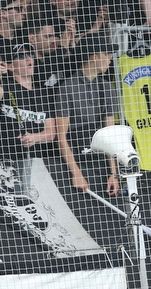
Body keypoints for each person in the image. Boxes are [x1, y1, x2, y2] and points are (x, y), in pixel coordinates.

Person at [55, 38, 119, 194]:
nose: (111, 58)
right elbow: (61, 136)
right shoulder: (66, 88)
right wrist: (75, 173)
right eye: (107, 53)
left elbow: (109, 132)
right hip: (77, 160)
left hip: (102, 163)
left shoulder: (107, 87)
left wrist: (113, 173)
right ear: (94, 57)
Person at [0, 42, 57, 159]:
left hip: (33, 163)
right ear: (11, 66)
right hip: (4, 161)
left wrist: (34, 137)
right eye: (22, 56)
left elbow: (51, 132)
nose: (28, 58)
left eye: (31, 54)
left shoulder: (44, 94)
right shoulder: (6, 87)